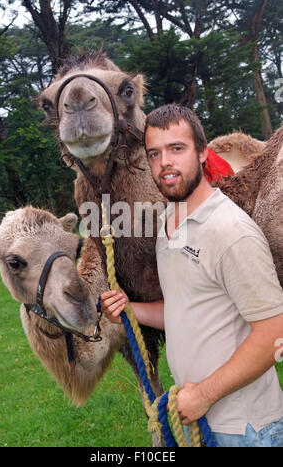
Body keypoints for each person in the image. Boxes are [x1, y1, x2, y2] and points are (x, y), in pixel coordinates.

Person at [101, 104, 283, 447]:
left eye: (177, 149)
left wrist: (204, 395)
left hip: (245, 429)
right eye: (154, 153)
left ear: (202, 153)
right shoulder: (170, 227)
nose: (165, 163)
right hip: (196, 420)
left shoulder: (231, 232)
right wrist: (131, 308)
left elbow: (275, 335)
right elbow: (186, 308)